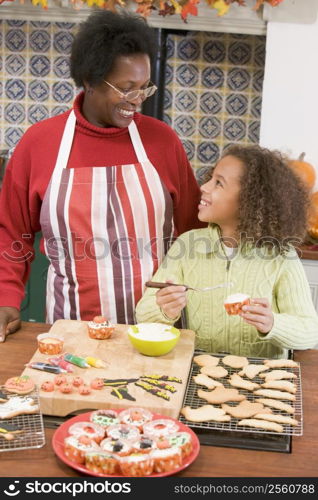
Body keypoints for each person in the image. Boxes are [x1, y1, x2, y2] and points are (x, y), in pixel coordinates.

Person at [0, 10, 204, 342]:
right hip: (71, 331)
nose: (137, 101)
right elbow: (11, 233)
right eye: (126, 89)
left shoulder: (162, 141)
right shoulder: (39, 144)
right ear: (91, 80)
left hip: (157, 330)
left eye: (143, 88)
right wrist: (5, 298)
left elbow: (196, 232)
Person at [136, 144, 318, 358]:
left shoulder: (280, 255)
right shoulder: (188, 245)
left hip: (262, 378)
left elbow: (309, 332)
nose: (204, 187)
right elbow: (142, 315)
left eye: (218, 183)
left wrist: (272, 324)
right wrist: (164, 309)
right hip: (202, 372)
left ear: (250, 200)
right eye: (211, 178)